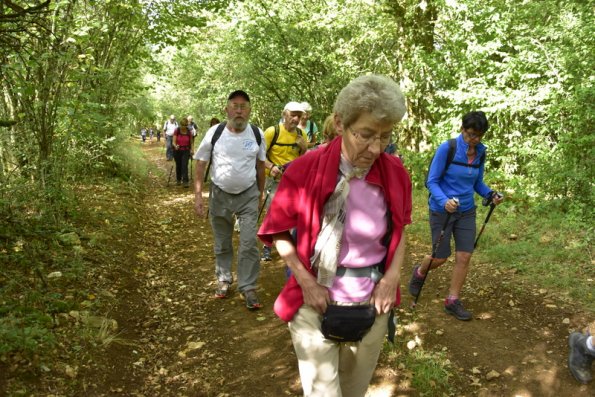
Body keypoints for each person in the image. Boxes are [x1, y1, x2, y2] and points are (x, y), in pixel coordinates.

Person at [257, 74, 410, 397]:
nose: (375, 148)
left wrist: (390, 279)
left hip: (371, 304)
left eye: (385, 137)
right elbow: (279, 231)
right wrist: (307, 282)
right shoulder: (303, 170)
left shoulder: (395, 173)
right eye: (365, 135)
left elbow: (401, 230)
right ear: (340, 124)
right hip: (314, 304)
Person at [408, 111, 504, 321]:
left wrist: (490, 194)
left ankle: (452, 300)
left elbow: (476, 182)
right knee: (440, 257)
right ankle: (420, 272)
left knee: (464, 256)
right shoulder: (448, 148)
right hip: (442, 210)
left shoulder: (480, 152)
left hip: (466, 211)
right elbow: (431, 181)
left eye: (479, 135)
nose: (474, 139)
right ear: (463, 129)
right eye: (471, 134)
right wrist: (445, 201)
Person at [193, 90, 266, 310]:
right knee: (223, 241)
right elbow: (200, 162)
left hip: (248, 195)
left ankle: (248, 286)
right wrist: (198, 196)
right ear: (226, 109)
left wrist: (260, 192)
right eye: (235, 105)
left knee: (248, 243)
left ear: (249, 110)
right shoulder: (215, 133)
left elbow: (261, 165)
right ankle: (224, 279)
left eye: (244, 106)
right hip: (220, 195)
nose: (239, 110)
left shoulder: (256, 133)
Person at [260, 101, 308, 261]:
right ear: (284, 114)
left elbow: (305, 161)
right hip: (274, 180)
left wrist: (304, 149)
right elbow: (258, 156)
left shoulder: (302, 135)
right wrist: (271, 166)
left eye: (298, 116)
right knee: (273, 212)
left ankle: (293, 247)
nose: (295, 119)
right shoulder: (272, 132)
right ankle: (267, 247)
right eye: (292, 115)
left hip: (294, 182)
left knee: (295, 213)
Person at [173, 117, 193, 187]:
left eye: (185, 125)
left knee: (184, 165)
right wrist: (175, 146)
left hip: (186, 150)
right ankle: (178, 179)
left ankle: (185, 181)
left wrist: (192, 150)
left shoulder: (189, 132)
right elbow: (173, 142)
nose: (184, 127)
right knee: (178, 165)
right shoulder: (177, 130)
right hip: (177, 150)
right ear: (180, 125)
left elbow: (191, 142)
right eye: (182, 125)